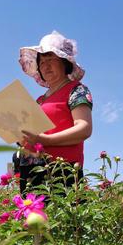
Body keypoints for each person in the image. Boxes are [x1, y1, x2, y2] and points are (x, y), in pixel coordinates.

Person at [18, 30, 93, 195]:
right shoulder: (39, 101)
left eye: (51, 58)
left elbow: (84, 128)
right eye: (42, 61)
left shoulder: (76, 90)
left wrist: (45, 140)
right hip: (32, 170)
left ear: (64, 62)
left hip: (63, 172)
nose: (46, 65)